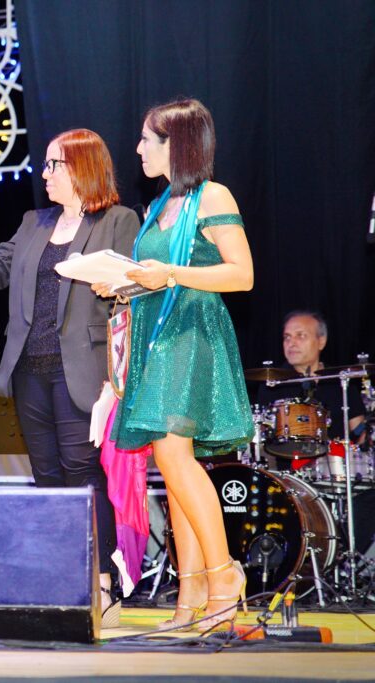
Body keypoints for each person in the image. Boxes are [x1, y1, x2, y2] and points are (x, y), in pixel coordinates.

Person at [0, 128, 139, 628]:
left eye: (54, 164)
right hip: (30, 371)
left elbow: (129, 298)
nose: (45, 174)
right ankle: (63, 582)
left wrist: (115, 378)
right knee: (50, 479)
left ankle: (103, 585)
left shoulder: (118, 221)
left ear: (82, 167)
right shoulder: (35, 222)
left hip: (84, 370)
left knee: (82, 474)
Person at [95, 98, 255, 632]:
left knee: (178, 462)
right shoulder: (162, 201)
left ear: (177, 144)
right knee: (171, 465)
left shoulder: (213, 197)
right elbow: (155, 274)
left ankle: (224, 577)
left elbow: (241, 274)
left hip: (190, 334)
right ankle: (190, 597)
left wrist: (172, 274)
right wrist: (122, 282)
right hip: (154, 337)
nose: (138, 148)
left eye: (147, 139)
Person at [256, 310, 365, 443]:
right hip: (286, 463)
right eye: (287, 337)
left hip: (336, 461)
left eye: (301, 336)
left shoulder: (342, 381)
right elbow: (261, 441)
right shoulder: (273, 384)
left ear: (321, 341)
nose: (291, 343)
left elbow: (360, 433)